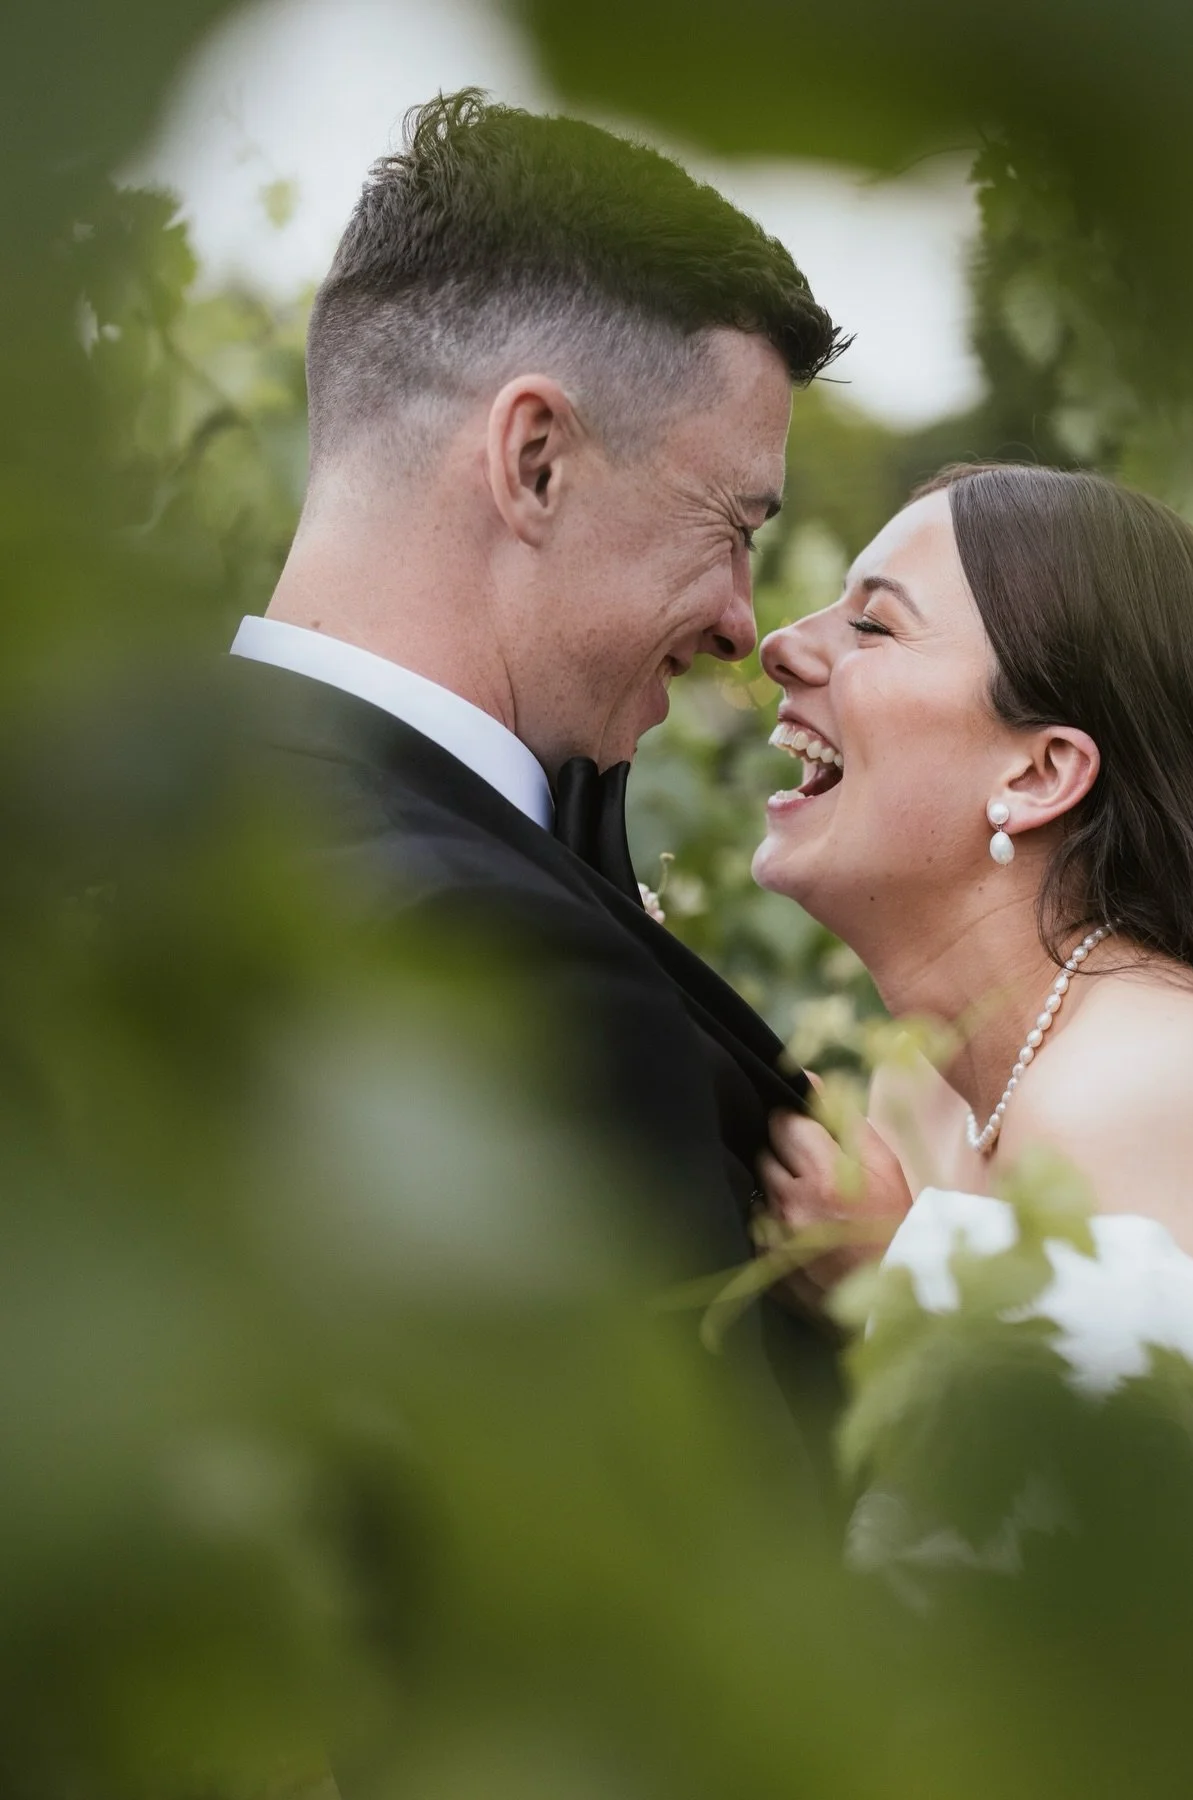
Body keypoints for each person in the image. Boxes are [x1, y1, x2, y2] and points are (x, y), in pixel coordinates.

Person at [223, 90, 848, 1495]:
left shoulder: (124, 841)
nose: (747, 624)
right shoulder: (512, 966)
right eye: (732, 527)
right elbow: (704, 1594)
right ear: (536, 460)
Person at [753, 463, 1193, 1599]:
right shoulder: (918, 1088)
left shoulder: (1146, 1085)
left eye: (873, 623)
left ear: (1038, 772)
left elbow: (1117, 1651)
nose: (786, 643)